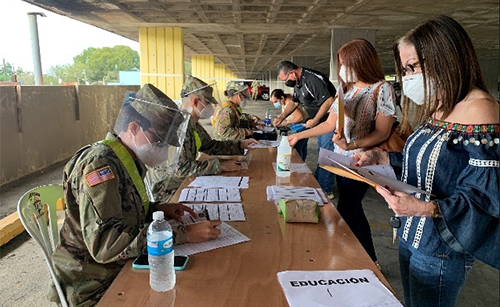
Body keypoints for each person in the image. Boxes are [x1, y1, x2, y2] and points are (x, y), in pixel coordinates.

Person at [355, 15, 499, 307]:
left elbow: (486, 196)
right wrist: (381, 156)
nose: (408, 78)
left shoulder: (481, 110)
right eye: (404, 70)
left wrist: (427, 208)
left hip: (441, 246)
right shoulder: (439, 106)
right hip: (411, 232)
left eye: (412, 68)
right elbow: (426, 160)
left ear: (444, 58)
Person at [51, 84, 222, 307]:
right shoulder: (100, 166)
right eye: (159, 140)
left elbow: (123, 211)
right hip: (92, 283)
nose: (161, 148)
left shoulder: (125, 158)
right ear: (133, 128)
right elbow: (105, 246)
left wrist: (158, 209)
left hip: (119, 266)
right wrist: (182, 234)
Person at [288, 38, 397, 265]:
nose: (343, 68)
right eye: (341, 63)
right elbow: (329, 125)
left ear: (362, 61)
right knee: (350, 207)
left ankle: (362, 258)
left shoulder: (382, 88)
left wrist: (352, 145)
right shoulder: (344, 89)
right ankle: (367, 257)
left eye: (347, 63)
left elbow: (382, 132)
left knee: (348, 206)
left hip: (362, 160)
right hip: (339, 158)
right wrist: (299, 135)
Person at [150, 76, 259, 202]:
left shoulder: (192, 124)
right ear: (195, 102)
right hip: (169, 195)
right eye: (207, 102)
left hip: (186, 184)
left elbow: (210, 145)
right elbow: (179, 168)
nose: (210, 107)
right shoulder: (178, 127)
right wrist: (218, 165)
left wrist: (240, 145)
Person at [276, 61, 337, 195]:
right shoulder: (298, 83)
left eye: (285, 80)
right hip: (318, 123)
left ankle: (325, 190)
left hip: (328, 122)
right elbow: (294, 101)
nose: (286, 83)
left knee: (325, 154)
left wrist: (315, 120)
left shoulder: (312, 79)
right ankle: (317, 182)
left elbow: (329, 101)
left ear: (292, 73)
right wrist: (282, 116)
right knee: (317, 151)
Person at [270, 88, 309, 161]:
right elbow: (286, 112)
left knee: (297, 149)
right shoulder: (284, 100)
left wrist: (287, 122)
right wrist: (280, 117)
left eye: (275, 101)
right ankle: (302, 163)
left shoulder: (289, 102)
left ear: (282, 98)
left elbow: (299, 117)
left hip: (301, 127)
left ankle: (299, 164)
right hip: (299, 126)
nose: (274, 104)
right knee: (302, 147)